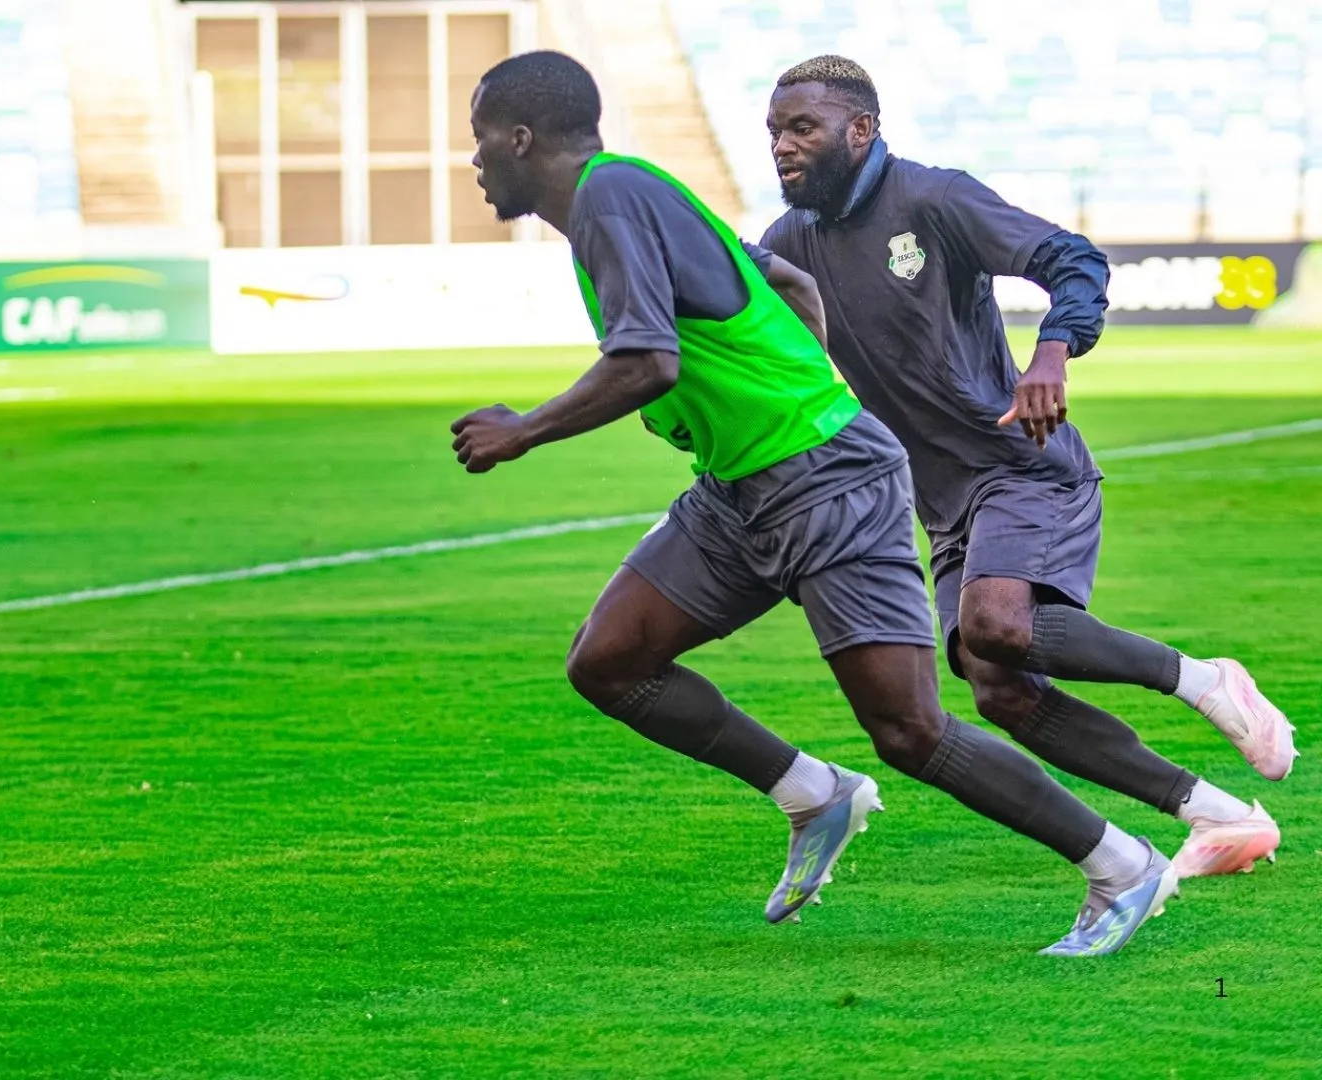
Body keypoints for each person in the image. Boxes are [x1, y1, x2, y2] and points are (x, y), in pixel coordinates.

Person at [451, 49, 1174, 956]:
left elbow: (649, 362)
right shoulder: (623, 199)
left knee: (910, 731)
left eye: (480, 141)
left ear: (521, 138)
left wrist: (524, 429)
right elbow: (787, 285)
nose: (473, 162)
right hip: (742, 486)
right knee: (609, 660)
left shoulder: (610, 197)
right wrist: (799, 384)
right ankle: (811, 792)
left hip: (827, 480)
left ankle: (1121, 862)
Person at [750, 55, 1291, 882]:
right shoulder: (790, 244)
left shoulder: (931, 198)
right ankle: (1215, 816)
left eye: (802, 128)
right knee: (998, 687)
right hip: (941, 501)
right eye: (775, 132)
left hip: (1023, 464)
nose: (783, 147)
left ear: (860, 130)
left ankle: (1205, 680)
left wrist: (1051, 356)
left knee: (1000, 626)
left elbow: (1074, 259)